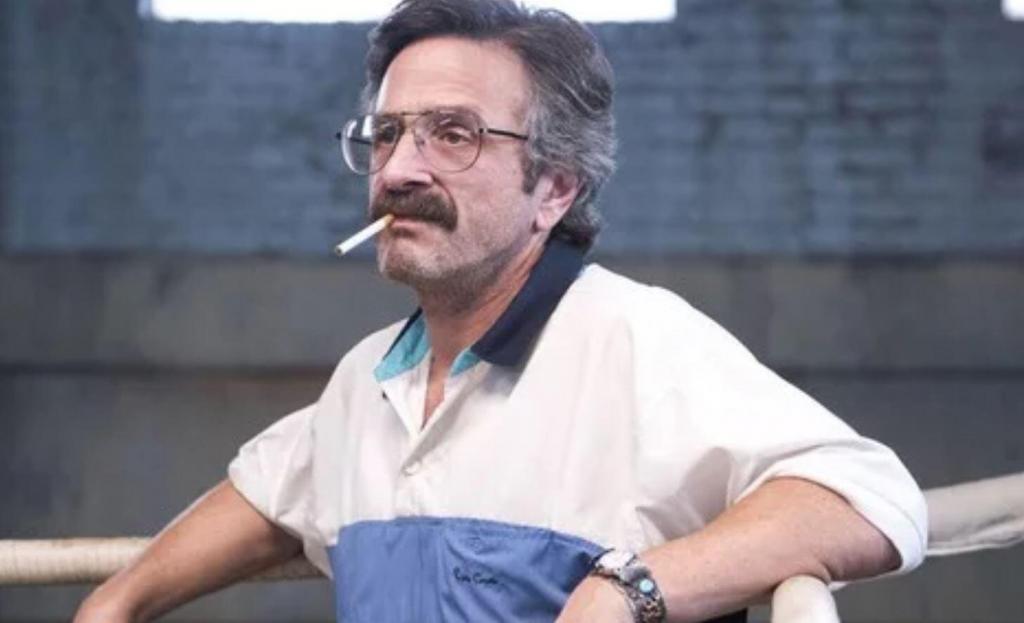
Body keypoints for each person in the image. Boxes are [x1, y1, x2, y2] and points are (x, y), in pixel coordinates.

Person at [74, 1, 928, 622]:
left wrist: (628, 587)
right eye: (387, 132)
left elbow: (868, 496)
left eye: (453, 134)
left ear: (553, 188)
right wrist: (117, 602)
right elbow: (270, 492)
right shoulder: (368, 384)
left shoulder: (630, 340)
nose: (398, 170)